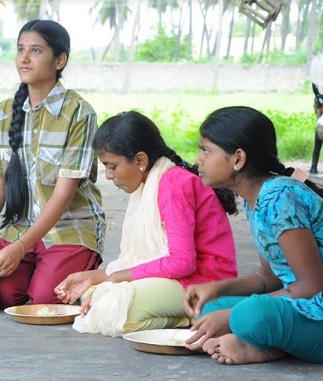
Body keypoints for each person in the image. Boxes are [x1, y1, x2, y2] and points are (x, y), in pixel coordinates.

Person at [54, 110, 239, 337]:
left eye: (112, 166)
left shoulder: (173, 185)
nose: (109, 175)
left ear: (140, 160)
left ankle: (196, 315)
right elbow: (147, 258)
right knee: (91, 294)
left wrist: (116, 278)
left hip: (205, 281)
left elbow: (182, 263)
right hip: (179, 278)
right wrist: (96, 276)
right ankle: (186, 313)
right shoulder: (149, 182)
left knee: (107, 308)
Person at [0, 19, 106, 310]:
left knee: (43, 301)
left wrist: (21, 247)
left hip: (69, 226)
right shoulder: (3, 113)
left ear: (60, 60)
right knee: (1, 296)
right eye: (20, 49)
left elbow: (64, 195)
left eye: (36, 50)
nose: (24, 58)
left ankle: (91, 276)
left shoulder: (79, 112)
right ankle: (44, 269)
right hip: (19, 227)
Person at [183, 105, 323, 365]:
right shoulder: (254, 199)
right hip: (308, 304)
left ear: (238, 158)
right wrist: (217, 288)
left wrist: (232, 316)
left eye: (206, 150)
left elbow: (312, 287)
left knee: (246, 316)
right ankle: (263, 340)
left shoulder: (279, 198)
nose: (198, 159)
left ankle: (264, 347)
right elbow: (270, 275)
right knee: (210, 309)